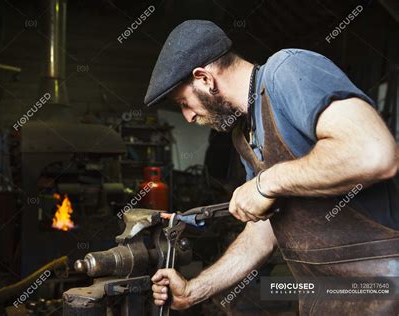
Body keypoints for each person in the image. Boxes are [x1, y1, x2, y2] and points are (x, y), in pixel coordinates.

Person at [144, 20, 399, 314]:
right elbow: (265, 229)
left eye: (183, 103)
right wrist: (194, 290)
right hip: (326, 295)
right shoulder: (244, 134)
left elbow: (374, 152)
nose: (188, 116)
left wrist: (267, 182)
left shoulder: (288, 70)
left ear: (204, 78)